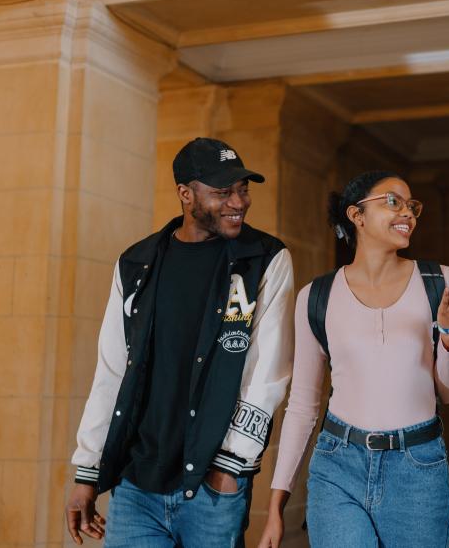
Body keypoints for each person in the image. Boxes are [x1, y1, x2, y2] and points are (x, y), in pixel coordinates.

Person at [65, 137, 295, 547]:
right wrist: (89, 470)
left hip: (212, 485)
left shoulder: (264, 258)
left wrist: (231, 466)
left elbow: (267, 375)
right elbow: (113, 369)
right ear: (186, 194)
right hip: (136, 485)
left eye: (243, 190)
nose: (238, 202)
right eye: (223, 192)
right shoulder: (136, 264)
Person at [257, 171, 449, 548]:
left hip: (418, 469)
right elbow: (303, 405)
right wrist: (277, 503)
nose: (407, 212)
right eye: (393, 201)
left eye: (412, 205)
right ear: (356, 215)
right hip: (337, 466)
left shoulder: (437, 280)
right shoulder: (316, 296)